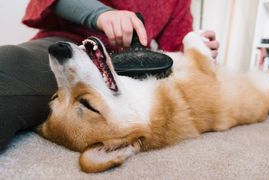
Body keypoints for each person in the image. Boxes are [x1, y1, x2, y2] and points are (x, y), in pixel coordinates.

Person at [0, 0, 219, 150]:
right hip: (68, 42)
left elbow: (176, 46)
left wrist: (202, 49)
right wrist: (100, 15)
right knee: (7, 70)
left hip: (133, 70)